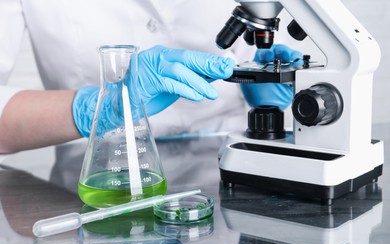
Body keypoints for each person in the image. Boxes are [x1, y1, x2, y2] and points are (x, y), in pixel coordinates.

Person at [0, 1, 298, 189]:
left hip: (231, 164)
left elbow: (268, 37)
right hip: (102, 172)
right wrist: (96, 108)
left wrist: (274, 79)